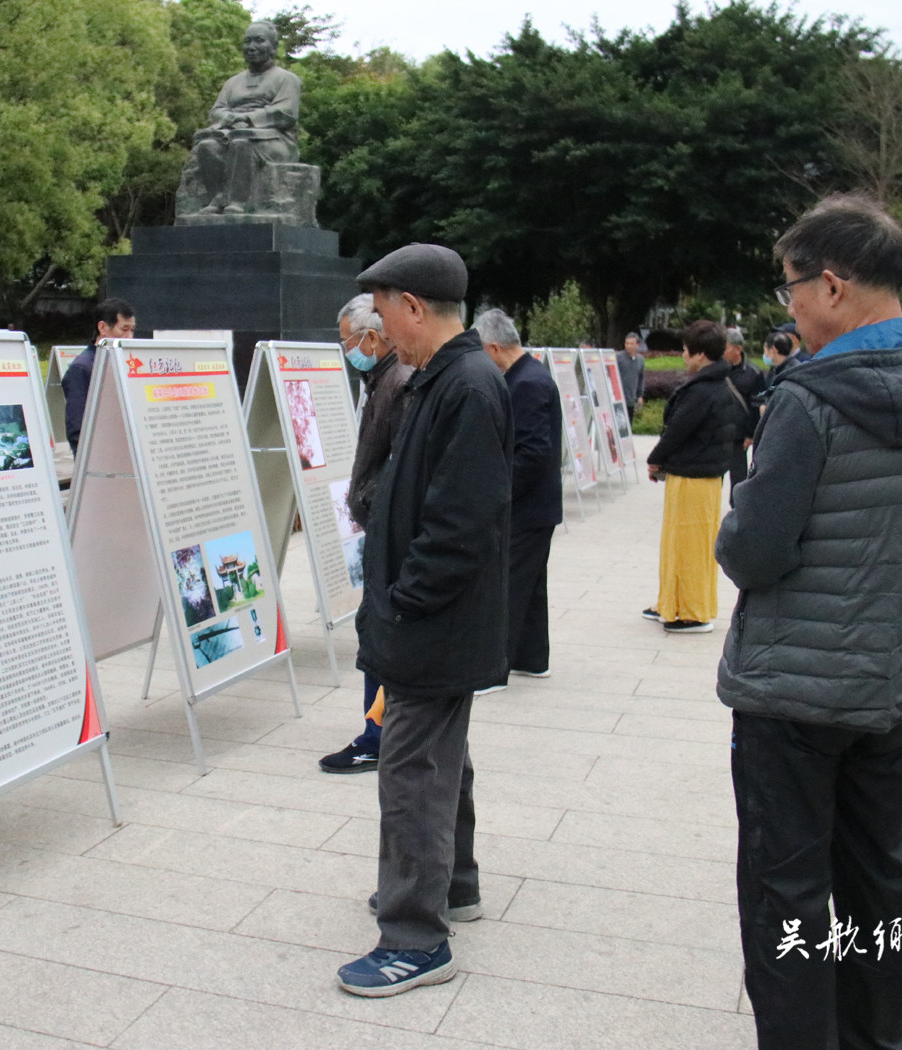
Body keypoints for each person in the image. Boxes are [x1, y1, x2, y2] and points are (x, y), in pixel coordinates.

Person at [717, 194, 902, 1050]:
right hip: (897, 685)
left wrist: (742, 509)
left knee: (786, 890)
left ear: (833, 286)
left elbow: (752, 552)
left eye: (791, 290)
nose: (790, 309)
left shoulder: (809, 399)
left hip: (795, 693)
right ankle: (877, 1038)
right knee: (879, 874)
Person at [338, 243, 512, 997]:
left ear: (411, 306)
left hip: (433, 620)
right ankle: (455, 882)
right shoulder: (442, 378)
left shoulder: (465, 385)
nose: (378, 332)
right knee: (442, 756)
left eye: (380, 314)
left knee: (412, 769)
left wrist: (404, 601)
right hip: (430, 616)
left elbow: (459, 523)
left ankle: (415, 936)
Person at [318, 293, 414, 775]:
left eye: (346, 341)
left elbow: (398, 463)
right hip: (380, 526)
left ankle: (377, 737)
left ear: (371, 337)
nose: (346, 351)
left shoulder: (396, 380)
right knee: (373, 630)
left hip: (386, 530)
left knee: (377, 632)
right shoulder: (382, 377)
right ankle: (378, 731)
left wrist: (371, 505)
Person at [474, 308, 561, 692]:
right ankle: (531, 657)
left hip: (527, 507)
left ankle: (494, 669)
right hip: (535, 505)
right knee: (530, 583)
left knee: (507, 584)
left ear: (494, 347)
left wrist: (497, 491)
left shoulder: (527, 383)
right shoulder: (527, 375)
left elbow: (532, 453)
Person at [643, 320, 742, 634]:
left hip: (694, 477)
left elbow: (677, 432)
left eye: (686, 351)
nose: (684, 356)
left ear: (700, 354)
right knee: (682, 543)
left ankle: (692, 612)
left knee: (689, 547)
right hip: (700, 476)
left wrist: (655, 458)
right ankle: (671, 602)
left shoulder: (702, 390)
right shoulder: (718, 384)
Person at [189, 21, 300, 215]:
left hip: (274, 140)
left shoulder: (286, 79)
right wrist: (230, 118)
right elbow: (216, 111)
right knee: (207, 146)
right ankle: (218, 197)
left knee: (242, 144)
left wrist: (248, 119)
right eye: (248, 41)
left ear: (273, 47)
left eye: (259, 40)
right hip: (231, 133)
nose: (252, 46)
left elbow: (286, 113)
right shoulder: (233, 82)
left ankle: (239, 201)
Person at [62, 298, 136, 455]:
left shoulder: (125, 362)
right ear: (103, 327)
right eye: (124, 329)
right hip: (100, 457)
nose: (129, 337)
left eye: (132, 330)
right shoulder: (82, 368)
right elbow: (77, 428)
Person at [722, 327, 765, 494]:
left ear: (738, 349)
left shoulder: (753, 373)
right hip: (718, 432)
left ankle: (737, 513)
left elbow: (756, 405)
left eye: (725, 347)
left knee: (738, 478)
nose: (722, 352)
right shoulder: (718, 369)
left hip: (739, 435)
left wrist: (750, 433)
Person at [616, 331, 647, 421]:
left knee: (629, 425)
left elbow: (641, 378)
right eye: (627, 343)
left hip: (631, 400)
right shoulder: (619, 358)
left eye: (632, 344)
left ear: (637, 345)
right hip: (619, 400)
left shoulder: (640, 360)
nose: (629, 346)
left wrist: (640, 396)